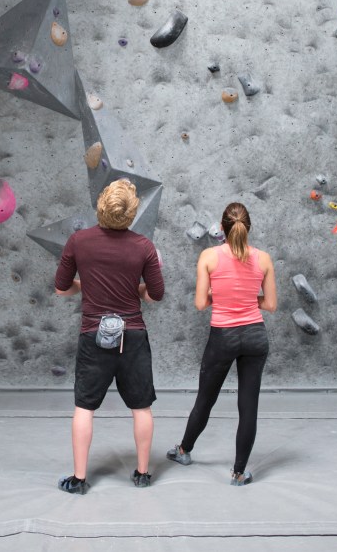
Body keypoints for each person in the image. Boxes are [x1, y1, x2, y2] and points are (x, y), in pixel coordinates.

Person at [54, 179, 165, 494]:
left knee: (84, 408)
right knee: (141, 407)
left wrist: (85, 285)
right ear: (131, 212)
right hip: (133, 335)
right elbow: (155, 295)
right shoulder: (144, 246)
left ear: (102, 206)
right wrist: (135, 289)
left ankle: (78, 479)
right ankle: (142, 474)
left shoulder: (78, 241)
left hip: (93, 334)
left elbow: (62, 288)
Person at [167, 202, 276, 485]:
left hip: (223, 337)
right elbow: (271, 304)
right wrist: (246, 299)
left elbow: (200, 303)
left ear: (222, 227)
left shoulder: (208, 256)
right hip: (255, 336)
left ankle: (183, 451)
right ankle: (239, 474)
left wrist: (223, 297)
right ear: (248, 227)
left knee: (206, 399)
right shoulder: (264, 259)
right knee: (248, 406)